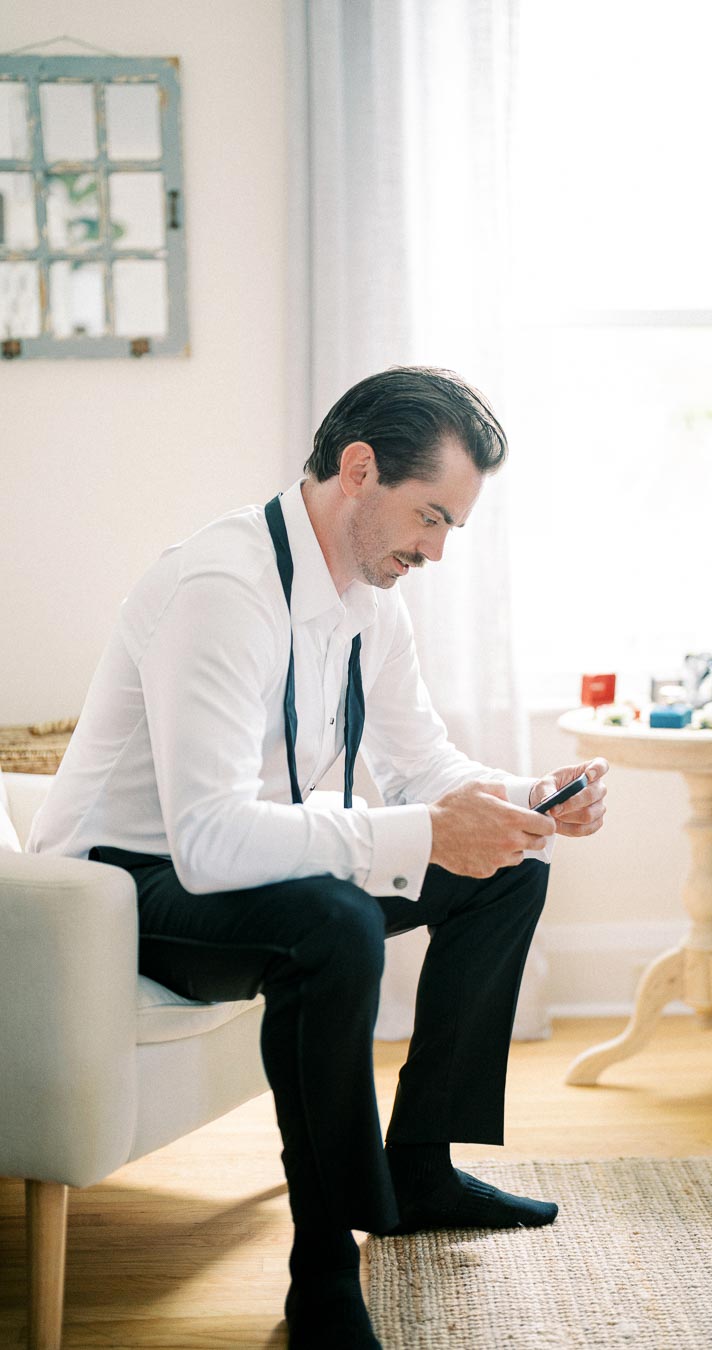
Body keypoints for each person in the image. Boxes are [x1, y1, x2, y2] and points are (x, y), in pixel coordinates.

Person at [29, 366, 608, 1349]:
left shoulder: (372, 600)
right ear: (359, 469)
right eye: (430, 517)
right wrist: (425, 832)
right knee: (331, 924)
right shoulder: (222, 587)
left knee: (508, 867)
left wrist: (526, 800)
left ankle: (420, 1168)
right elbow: (209, 841)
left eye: (451, 528)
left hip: (254, 866)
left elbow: (422, 764)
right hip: (116, 890)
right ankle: (323, 1274)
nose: (436, 550)